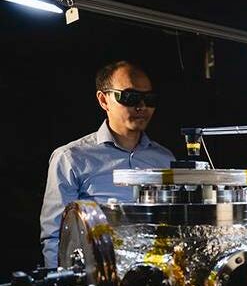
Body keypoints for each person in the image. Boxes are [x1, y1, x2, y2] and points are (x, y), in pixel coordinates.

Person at [40, 61, 175, 268]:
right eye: (129, 97)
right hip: (100, 280)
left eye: (149, 99)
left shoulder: (165, 159)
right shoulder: (71, 157)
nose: (141, 107)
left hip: (157, 281)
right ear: (104, 100)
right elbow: (56, 236)